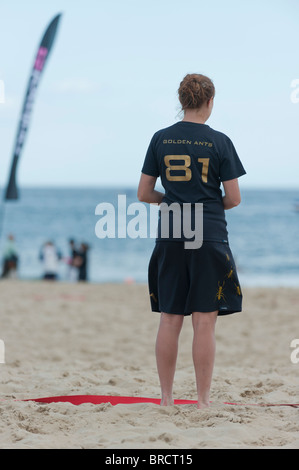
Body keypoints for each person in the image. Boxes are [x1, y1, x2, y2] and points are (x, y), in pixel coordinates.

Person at [137, 73, 246, 409]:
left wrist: (172, 201)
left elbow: (144, 193)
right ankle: (202, 400)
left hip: (171, 232)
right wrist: (207, 204)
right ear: (209, 102)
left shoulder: (160, 139)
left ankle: (167, 399)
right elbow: (234, 198)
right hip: (209, 233)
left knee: (170, 318)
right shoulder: (220, 141)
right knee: (204, 320)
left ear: (181, 101)